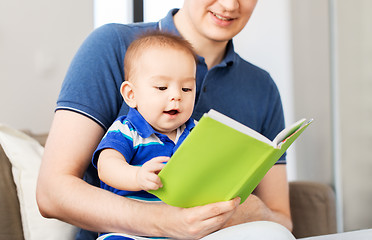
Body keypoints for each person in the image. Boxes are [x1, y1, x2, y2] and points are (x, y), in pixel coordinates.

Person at [36, 1, 294, 239]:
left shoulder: (262, 87)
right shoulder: (112, 45)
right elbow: (52, 193)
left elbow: (282, 220)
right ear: (130, 93)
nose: (229, 5)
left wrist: (251, 211)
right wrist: (164, 220)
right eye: (160, 87)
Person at [93, 32, 198, 207]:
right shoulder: (126, 129)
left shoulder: (197, 131)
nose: (176, 96)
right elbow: (107, 167)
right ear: (131, 94)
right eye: (162, 87)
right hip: (130, 227)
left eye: (186, 89)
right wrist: (137, 176)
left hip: (184, 227)